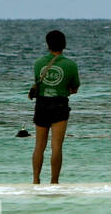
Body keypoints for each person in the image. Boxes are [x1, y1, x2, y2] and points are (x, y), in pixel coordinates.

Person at [29, 30, 80, 184]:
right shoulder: (70, 65)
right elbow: (75, 87)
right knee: (56, 146)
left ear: (47, 45)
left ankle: (36, 180)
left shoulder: (38, 63)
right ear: (64, 45)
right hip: (60, 105)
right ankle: (54, 182)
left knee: (39, 146)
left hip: (42, 104)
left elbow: (38, 82)